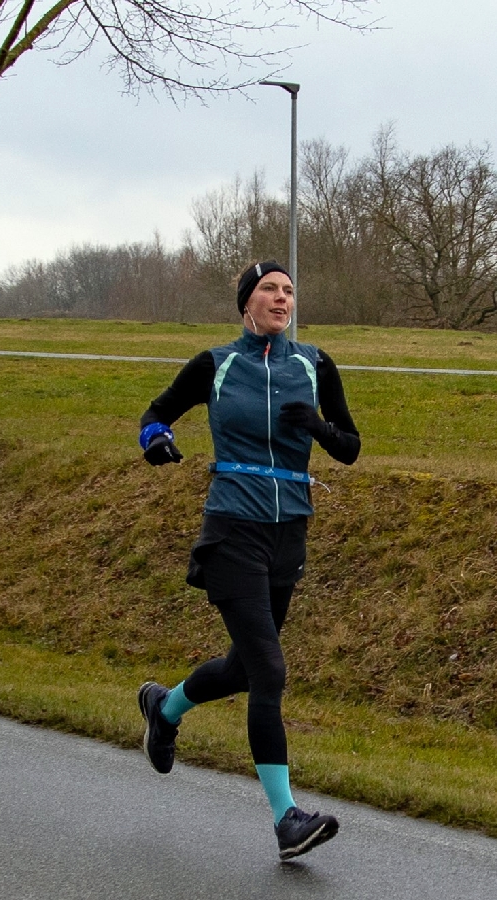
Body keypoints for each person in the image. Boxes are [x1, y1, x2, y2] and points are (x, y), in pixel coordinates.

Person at [136, 260, 362, 860]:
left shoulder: (314, 365)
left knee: (242, 669)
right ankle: (286, 818)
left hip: (289, 532)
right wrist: (156, 441)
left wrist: (316, 425)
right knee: (269, 671)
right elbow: (154, 413)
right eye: (270, 289)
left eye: (289, 290)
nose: (282, 298)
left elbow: (351, 447)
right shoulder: (217, 364)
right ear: (247, 303)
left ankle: (166, 705)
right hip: (232, 527)